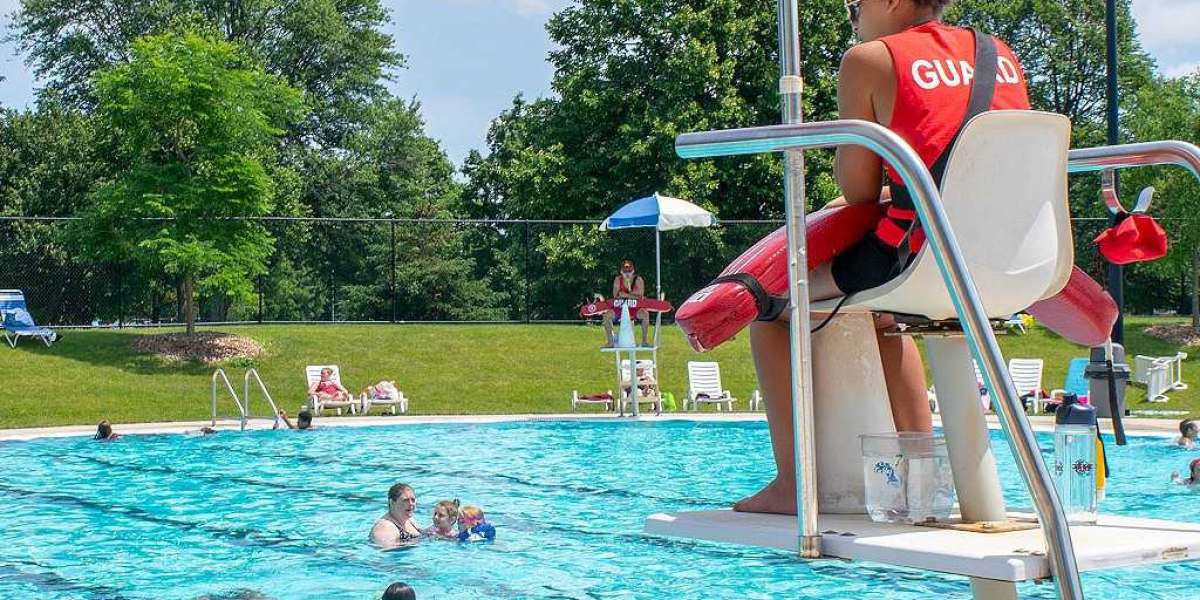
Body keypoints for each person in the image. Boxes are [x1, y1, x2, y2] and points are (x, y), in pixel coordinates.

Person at [735, 0, 1031, 515]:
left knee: (771, 305)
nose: (851, 13)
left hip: (921, 258)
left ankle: (794, 483)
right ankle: (923, 481)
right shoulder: (1000, 54)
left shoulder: (870, 59)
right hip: (1013, 261)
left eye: (855, 4)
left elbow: (858, 190)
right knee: (885, 314)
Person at [601, 259, 650, 348]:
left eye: (629, 271)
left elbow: (640, 295)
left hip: (635, 308)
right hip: (620, 308)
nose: (627, 273)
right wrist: (632, 294)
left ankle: (644, 341)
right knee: (606, 316)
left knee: (645, 314)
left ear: (633, 270)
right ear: (621, 271)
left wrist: (625, 295)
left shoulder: (638, 279)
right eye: (625, 271)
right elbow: (616, 295)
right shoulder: (617, 279)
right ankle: (610, 342)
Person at [370, 482, 422, 548]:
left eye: (413, 500)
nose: (411, 504)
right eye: (405, 500)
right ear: (392, 502)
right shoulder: (385, 528)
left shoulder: (409, 520)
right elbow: (384, 554)